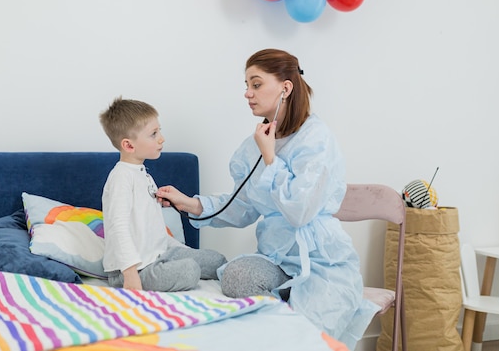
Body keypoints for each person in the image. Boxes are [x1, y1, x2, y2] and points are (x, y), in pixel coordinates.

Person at [156, 49, 379, 348]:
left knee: (305, 337)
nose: (247, 93)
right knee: (237, 276)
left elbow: (300, 212)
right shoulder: (256, 144)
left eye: (256, 84)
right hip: (277, 258)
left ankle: (285, 314)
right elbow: (243, 206)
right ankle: (272, 308)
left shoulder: (316, 139)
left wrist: (271, 158)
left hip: (320, 263)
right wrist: (189, 203)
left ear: (285, 87)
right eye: (246, 85)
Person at [98, 96, 227, 292]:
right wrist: (130, 274)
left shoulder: (143, 175)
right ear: (129, 145)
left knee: (217, 261)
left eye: (160, 131)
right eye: (153, 134)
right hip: (133, 269)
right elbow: (118, 227)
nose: (162, 138)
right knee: (190, 270)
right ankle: (133, 273)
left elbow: (155, 230)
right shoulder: (121, 178)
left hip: (159, 255)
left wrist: (184, 252)